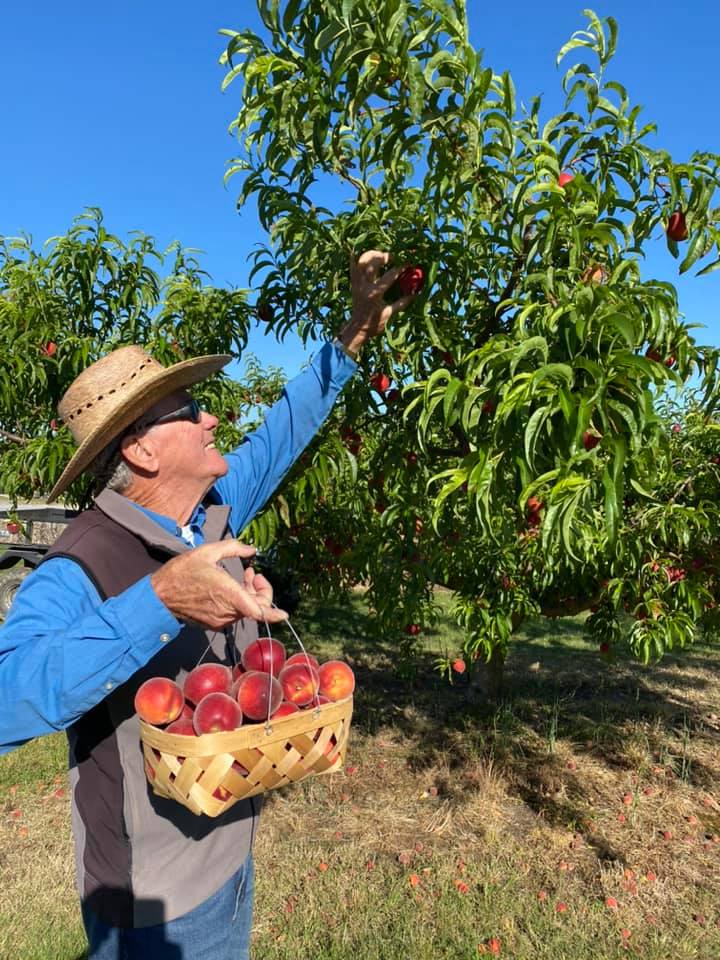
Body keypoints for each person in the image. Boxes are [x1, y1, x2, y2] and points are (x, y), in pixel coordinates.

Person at [0, 251, 413, 959]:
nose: (212, 416)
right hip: (154, 899)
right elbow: (8, 698)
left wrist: (352, 336)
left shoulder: (212, 508)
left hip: (229, 847)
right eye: (190, 411)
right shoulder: (80, 563)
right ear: (142, 452)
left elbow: (284, 432)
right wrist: (161, 599)